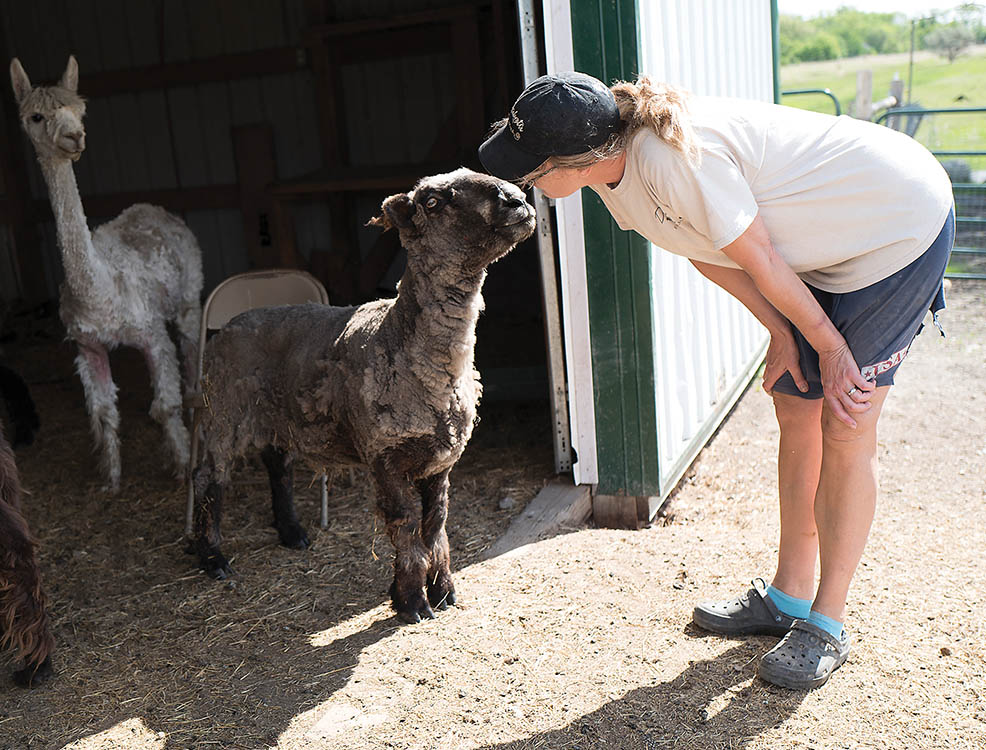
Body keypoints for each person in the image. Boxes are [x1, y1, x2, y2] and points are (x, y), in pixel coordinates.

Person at [478, 72, 953, 690]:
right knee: (794, 409)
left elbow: (761, 257)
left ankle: (827, 622)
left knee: (846, 421)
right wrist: (785, 335)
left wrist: (830, 347)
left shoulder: (669, 160)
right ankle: (789, 595)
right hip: (817, 249)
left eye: (532, 167)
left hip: (892, 227)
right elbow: (704, 250)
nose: (525, 180)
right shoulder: (613, 177)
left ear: (578, 157)